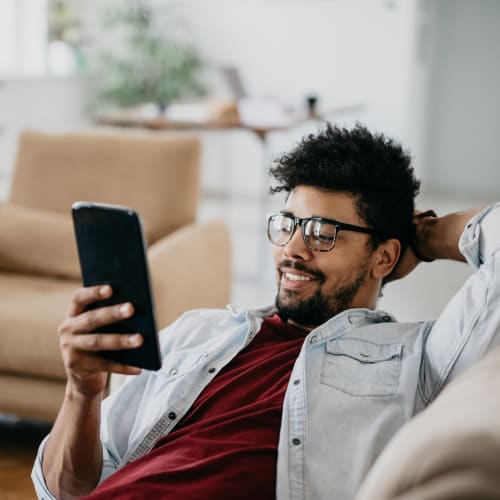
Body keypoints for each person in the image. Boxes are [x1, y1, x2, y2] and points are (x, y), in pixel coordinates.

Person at [32, 124, 500, 500]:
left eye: (322, 232)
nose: (292, 251)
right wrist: (82, 392)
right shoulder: (200, 331)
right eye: (288, 225)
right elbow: (65, 490)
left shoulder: (418, 359)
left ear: (383, 256)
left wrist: (429, 236)